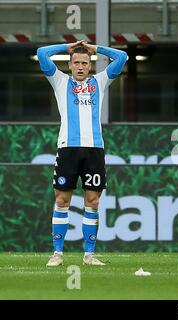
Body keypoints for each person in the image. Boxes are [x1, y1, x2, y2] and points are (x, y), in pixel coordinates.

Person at [37, 41, 127, 266]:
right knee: (62, 199)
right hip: (68, 148)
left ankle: (89, 255)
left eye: (84, 63)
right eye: (76, 62)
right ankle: (57, 253)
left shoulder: (100, 81)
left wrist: (94, 48)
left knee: (93, 201)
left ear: (90, 65)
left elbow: (122, 57)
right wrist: (68, 46)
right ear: (70, 64)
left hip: (94, 149)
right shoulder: (60, 81)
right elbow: (41, 53)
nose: (80, 66)